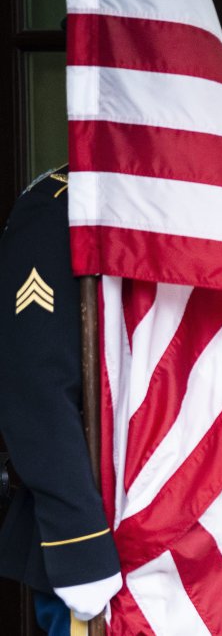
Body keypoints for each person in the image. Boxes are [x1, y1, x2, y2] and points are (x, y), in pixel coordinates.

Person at [0, 166, 122, 635]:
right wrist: (82, 550)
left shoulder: (184, 197)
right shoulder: (60, 205)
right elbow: (37, 389)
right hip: (95, 538)